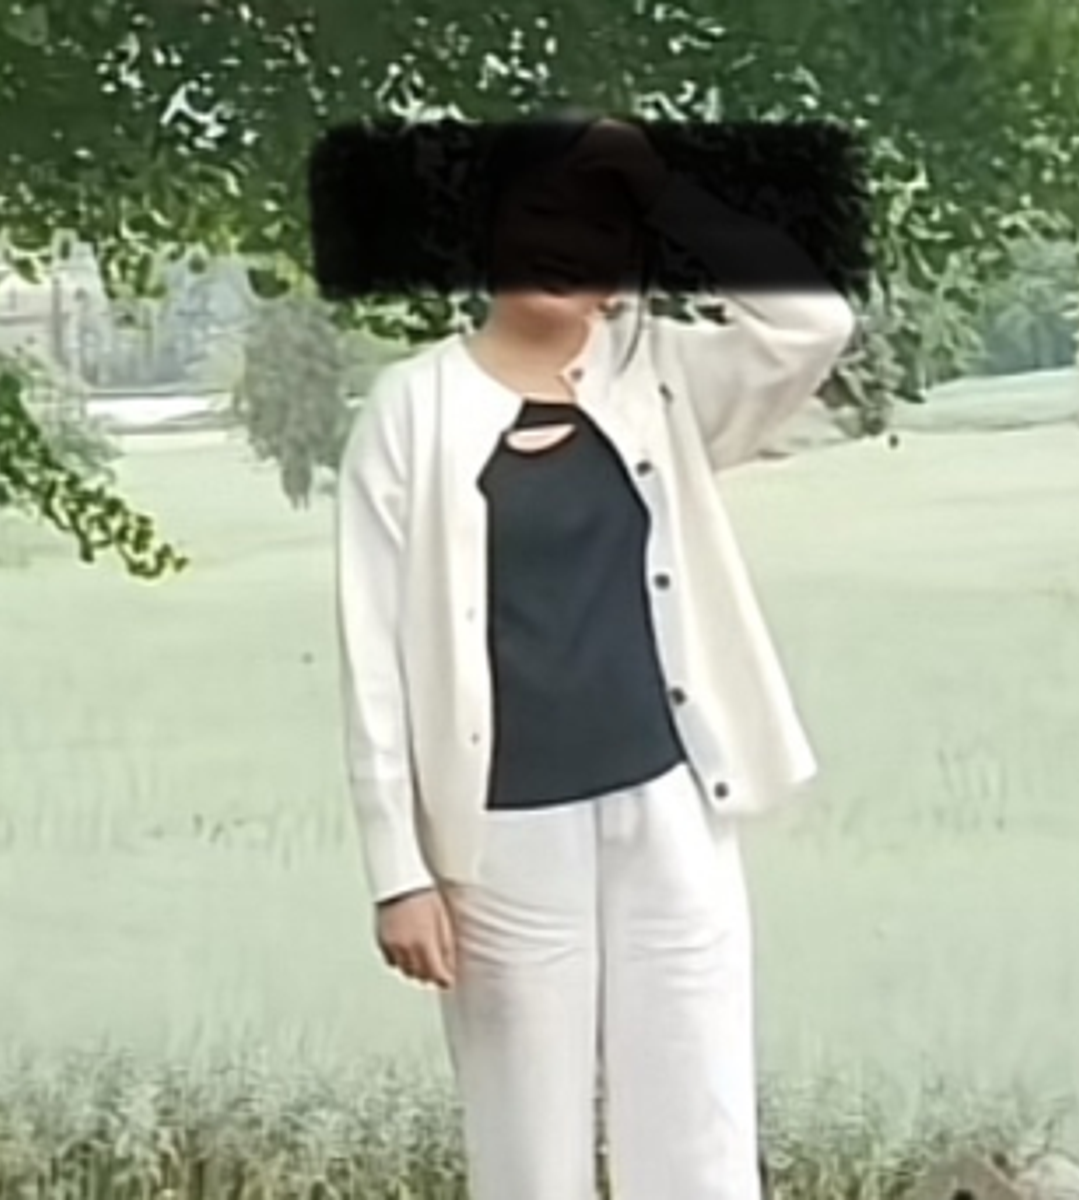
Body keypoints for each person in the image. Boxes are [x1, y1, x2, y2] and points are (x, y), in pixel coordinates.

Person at [334, 110, 856, 1200]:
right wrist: (399, 876)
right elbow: (374, 658)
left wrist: (661, 189)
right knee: (530, 1149)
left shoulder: (658, 379)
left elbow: (813, 323)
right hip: (501, 840)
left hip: (671, 806)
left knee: (699, 1128)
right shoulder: (411, 409)